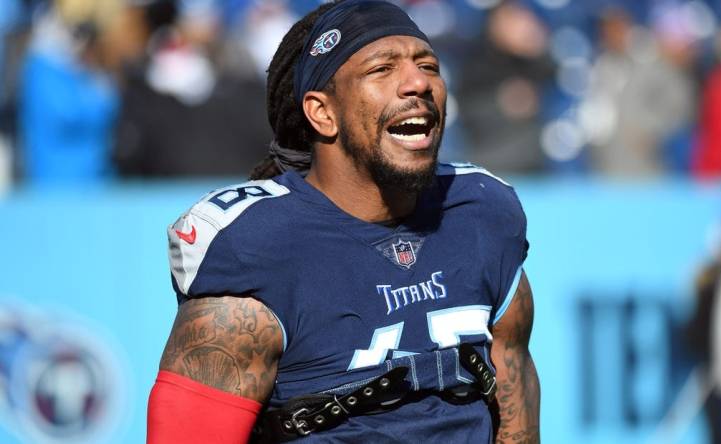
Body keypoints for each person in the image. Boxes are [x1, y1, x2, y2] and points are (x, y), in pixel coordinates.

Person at [147, 1, 540, 442]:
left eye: (428, 65)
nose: (418, 83)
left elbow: (514, 397)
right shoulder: (258, 250)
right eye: (382, 70)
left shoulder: (480, 213)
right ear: (322, 113)